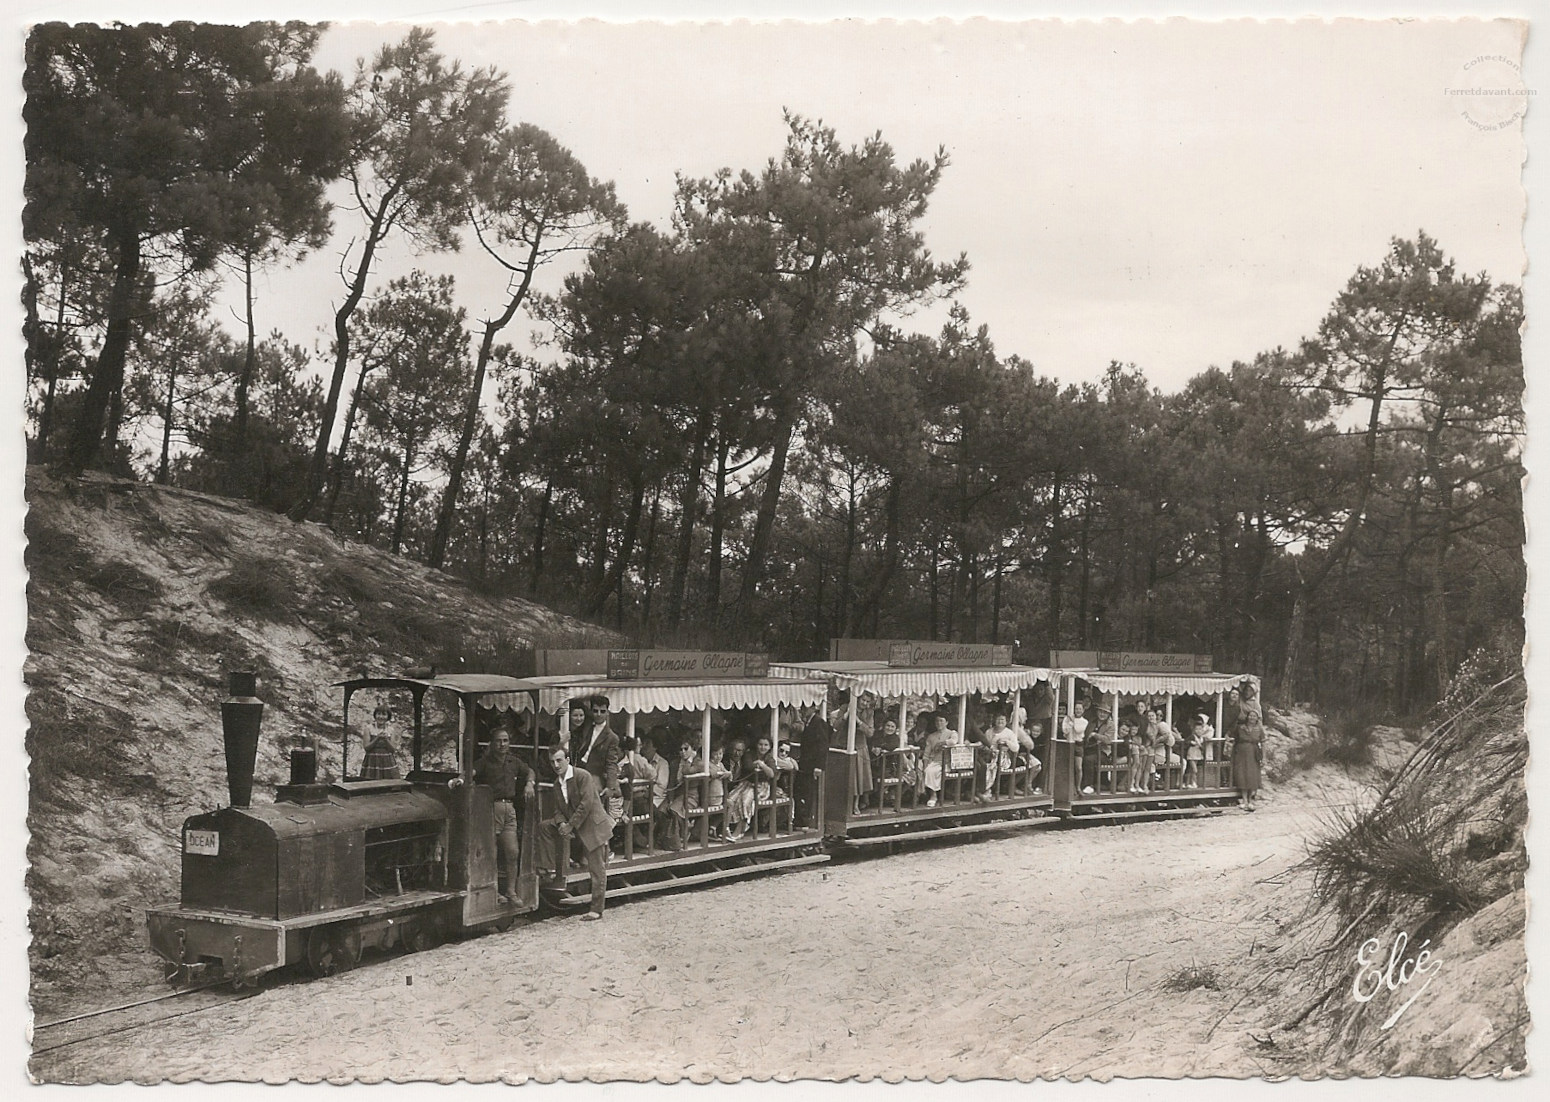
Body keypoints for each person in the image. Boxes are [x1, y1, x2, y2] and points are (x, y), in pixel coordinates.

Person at [540, 745, 615, 920]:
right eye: (552, 762)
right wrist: (561, 824)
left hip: (592, 825)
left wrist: (570, 825)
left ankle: (596, 910)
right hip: (575, 826)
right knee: (545, 826)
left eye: (559, 760)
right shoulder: (556, 784)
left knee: (596, 869)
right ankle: (550, 869)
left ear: (567, 760)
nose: (556, 765)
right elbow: (558, 809)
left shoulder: (583, 776)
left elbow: (586, 804)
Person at [472, 724, 535, 904]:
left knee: (512, 852)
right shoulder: (485, 762)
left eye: (505, 741)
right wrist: (461, 779)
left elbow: (529, 770)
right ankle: (495, 892)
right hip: (491, 810)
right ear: (492, 743)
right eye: (498, 741)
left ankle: (511, 891)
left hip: (510, 810)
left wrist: (529, 783)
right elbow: (472, 773)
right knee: (491, 853)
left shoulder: (513, 762)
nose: (502, 744)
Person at [574, 696, 622, 806]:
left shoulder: (611, 737)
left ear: (607, 713)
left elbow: (611, 763)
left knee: (593, 802)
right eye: (595, 711)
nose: (599, 714)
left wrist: (611, 787)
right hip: (577, 768)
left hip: (594, 774)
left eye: (602, 711)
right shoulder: (586, 725)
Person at [795, 705, 832, 828]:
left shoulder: (819, 723)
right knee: (801, 790)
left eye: (806, 707)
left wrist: (819, 766)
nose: (803, 710)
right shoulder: (808, 722)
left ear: (813, 708)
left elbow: (823, 746)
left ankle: (805, 821)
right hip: (805, 763)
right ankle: (800, 819)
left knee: (807, 792)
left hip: (811, 765)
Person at [1233, 692, 1265, 811]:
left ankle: (1251, 800)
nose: (1252, 718)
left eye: (1254, 716)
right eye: (1250, 716)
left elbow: (1264, 742)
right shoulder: (1240, 728)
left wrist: (1264, 757)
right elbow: (1233, 736)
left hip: (1254, 752)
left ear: (1257, 718)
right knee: (1242, 775)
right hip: (1241, 752)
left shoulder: (1259, 728)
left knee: (1252, 776)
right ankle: (1244, 800)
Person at [918, 712, 957, 808]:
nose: (939, 723)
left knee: (931, 771)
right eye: (937, 721)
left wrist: (942, 743)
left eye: (941, 721)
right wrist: (925, 764)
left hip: (945, 762)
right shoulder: (931, 736)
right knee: (920, 768)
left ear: (946, 722)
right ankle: (920, 793)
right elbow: (927, 753)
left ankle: (933, 795)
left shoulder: (952, 733)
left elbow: (954, 741)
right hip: (933, 761)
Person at [361, 703, 401, 780]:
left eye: (384, 714)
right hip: (372, 761)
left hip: (387, 761)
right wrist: (377, 738)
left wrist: (386, 740)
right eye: (378, 714)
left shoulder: (391, 730)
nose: (381, 717)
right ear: (375, 715)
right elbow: (366, 748)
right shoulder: (368, 728)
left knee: (390, 784)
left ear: (387, 717)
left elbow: (392, 749)